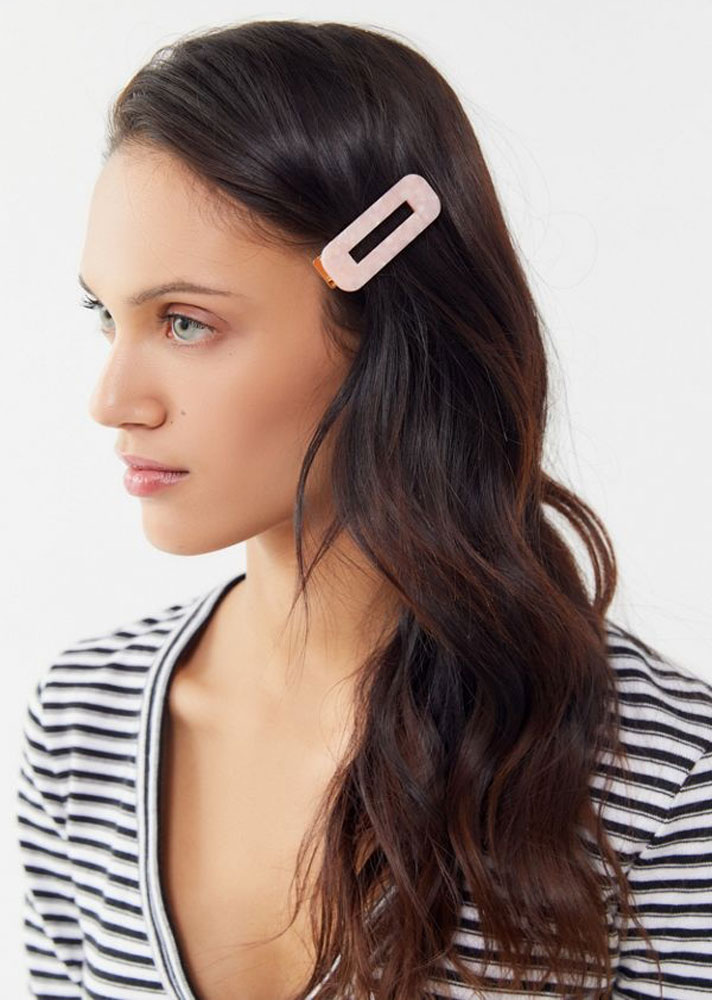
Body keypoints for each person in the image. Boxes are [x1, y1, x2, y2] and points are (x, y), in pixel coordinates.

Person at [16, 18, 712, 1000]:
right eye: (106, 315)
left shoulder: (661, 777)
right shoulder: (82, 727)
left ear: (382, 315)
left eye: (185, 322)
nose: (112, 398)